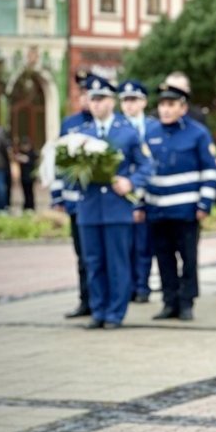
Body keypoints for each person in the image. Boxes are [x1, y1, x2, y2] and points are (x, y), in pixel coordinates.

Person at [76, 75, 151, 329]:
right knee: (94, 262)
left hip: (116, 208)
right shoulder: (81, 134)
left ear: (111, 101)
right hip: (89, 207)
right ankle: (98, 310)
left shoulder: (127, 132)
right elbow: (68, 174)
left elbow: (146, 165)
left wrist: (131, 182)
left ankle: (115, 313)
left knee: (117, 262)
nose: (96, 104)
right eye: (92, 99)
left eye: (101, 99)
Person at [144, 82, 216, 321]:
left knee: (188, 259)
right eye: (162, 105)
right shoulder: (150, 133)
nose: (165, 110)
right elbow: (142, 170)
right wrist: (140, 204)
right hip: (157, 209)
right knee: (163, 258)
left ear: (183, 108)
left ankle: (187, 302)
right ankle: (169, 302)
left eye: (171, 104)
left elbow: (210, 170)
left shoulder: (198, 133)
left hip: (186, 210)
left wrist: (204, 203)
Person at [53, 71, 94, 319]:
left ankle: (102, 301)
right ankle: (85, 300)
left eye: (91, 94)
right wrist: (57, 196)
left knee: (98, 256)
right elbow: (60, 163)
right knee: (82, 256)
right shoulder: (69, 124)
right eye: (83, 93)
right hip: (75, 202)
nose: (86, 98)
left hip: (98, 202)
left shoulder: (108, 124)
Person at [118, 79, 157, 303]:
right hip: (124, 193)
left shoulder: (153, 127)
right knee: (126, 244)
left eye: (133, 100)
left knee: (144, 244)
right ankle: (128, 286)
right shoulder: (117, 127)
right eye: (125, 100)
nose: (129, 105)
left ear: (143, 102)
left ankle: (142, 285)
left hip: (151, 193)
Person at [15, 138, 37, 211]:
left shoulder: (32, 153)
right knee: (25, 192)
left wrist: (23, 159)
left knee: (30, 192)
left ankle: (31, 205)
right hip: (23, 176)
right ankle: (26, 205)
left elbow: (30, 161)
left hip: (30, 177)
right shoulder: (21, 153)